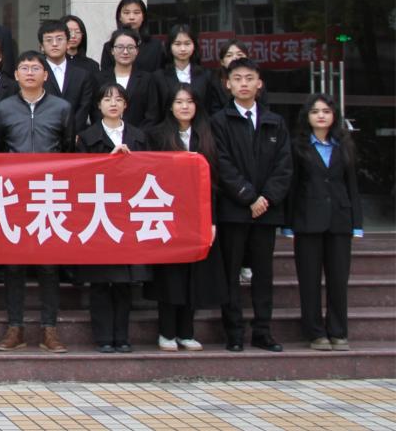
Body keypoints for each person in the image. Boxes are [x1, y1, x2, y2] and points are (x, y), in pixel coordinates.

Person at [0, 51, 73, 354]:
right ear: (15, 75)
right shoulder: (3, 108)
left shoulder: (62, 108)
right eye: (24, 68)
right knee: (13, 264)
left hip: (49, 195)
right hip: (14, 195)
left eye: (35, 68)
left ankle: (49, 329)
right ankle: (15, 328)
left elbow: (68, 149)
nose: (29, 72)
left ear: (45, 75)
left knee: (48, 265)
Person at [210, 58, 292, 353]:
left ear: (259, 84)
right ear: (227, 84)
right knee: (231, 272)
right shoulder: (219, 121)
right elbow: (221, 164)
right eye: (237, 78)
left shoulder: (275, 122)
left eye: (249, 78)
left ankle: (262, 331)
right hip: (234, 210)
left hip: (266, 212)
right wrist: (248, 196)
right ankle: (234, 332)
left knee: (263, 273)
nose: (243, 84)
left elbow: (284, 166)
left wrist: (265, 198)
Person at [145, 83, 227, 352]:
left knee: (194, 274)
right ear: (170, 106)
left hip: (198, 213)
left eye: (190, 102)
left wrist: (212, 220)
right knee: (170, 276)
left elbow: (214, 180)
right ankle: (166, 331)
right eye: (179, 102)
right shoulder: (157, 135)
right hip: (167, 212)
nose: (184, 106)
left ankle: (186, 332)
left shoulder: (207, 135)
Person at [75, 83, 151, 353]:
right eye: (107, 99)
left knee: (123, 283)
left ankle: (122, 336)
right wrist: (107, 162)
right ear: (98, 105)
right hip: (99, 212)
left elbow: (151, 172)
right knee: (100, 281)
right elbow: (80, 176)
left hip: (128, 213)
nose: (113, 104)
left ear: (126, 105)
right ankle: (103, 337)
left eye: (118, 99)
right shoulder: (86, 137)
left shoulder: (139, 136)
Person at [288, 94, 363, 352]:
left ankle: (338, 332)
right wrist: (289, 222)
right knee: (309, 280)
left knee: (338, 280)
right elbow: (293, 186)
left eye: (326, 111)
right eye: (315, 111)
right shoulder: (297, 146)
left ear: (334, 116)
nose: (321, 115)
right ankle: (315, 333)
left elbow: (352, 185)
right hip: (307, 220)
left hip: (340, 220)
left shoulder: (344, 145)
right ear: (307, 116)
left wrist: (357, 222)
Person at [96, 27, 160, 130]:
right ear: (112, 50)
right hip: (105, 136)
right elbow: (95, 111)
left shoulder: (147, 79)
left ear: (137, 51)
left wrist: (137, 136)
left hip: (140, 137)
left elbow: (152, 114)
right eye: (120, 47)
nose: (125, 52)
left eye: (130, 47)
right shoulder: (99, 79)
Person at [40, 19, 95, 135]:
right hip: (43, 135)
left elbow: (84, 108)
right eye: (49, 40)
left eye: (59, 39)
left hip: (75, 137)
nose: (54, 44)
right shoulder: (36, 74)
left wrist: (71, 133)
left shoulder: (82, 75)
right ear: (41, 47)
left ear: (68, 44)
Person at [99, 0, 165, 74]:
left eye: (136, 13)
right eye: (126, 13)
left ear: (143, 16)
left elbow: (160, 74)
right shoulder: (109, 46)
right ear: (119, 17)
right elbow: (105, 76)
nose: (131, 17)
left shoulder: (155, 45)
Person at [156, 24, 209, 118]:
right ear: (170, 46)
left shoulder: (206, 75)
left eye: (187, 44)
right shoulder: (159, 77)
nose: (183, 49)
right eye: (177, 44)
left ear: (194, 45)